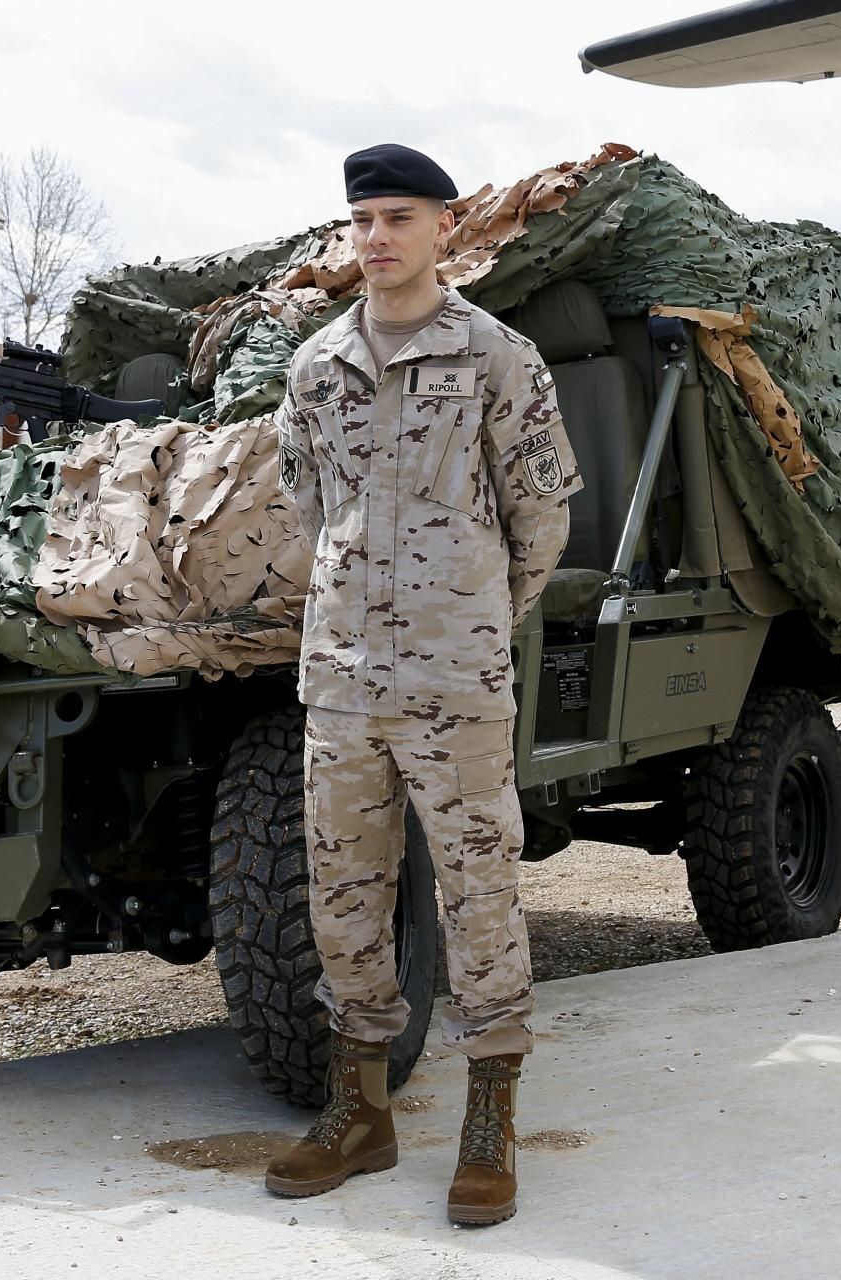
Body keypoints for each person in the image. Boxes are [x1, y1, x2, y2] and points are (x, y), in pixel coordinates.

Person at [264, 144, 580, 1227]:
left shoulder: (498, 358)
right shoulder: (314, 366)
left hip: (455, 677)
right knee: (344, 893)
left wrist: (475, 612)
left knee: (478, 890)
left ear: (447, 227)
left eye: (399, 216)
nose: (377, 237)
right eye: (361, 220)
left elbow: (540, 520)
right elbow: (310, 509)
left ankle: (487, 1121)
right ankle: (361, 1111)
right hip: (343, 677)